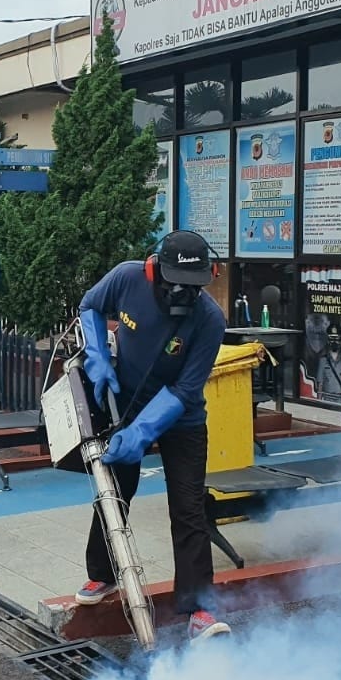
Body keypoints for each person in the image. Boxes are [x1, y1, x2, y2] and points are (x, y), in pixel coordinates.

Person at [74, 230, 230, 642]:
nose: (180, 292)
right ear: (154, 268)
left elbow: (185, 390)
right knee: (114, 489)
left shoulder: (210, 319)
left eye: (191, 286)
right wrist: (97, 357)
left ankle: (198, 608)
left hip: (182, 419)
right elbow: (90, 305)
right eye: (173, 281)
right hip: (126, 401)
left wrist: (143, 432)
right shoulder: (127, 278)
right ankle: (102, 575)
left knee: (189, 506)